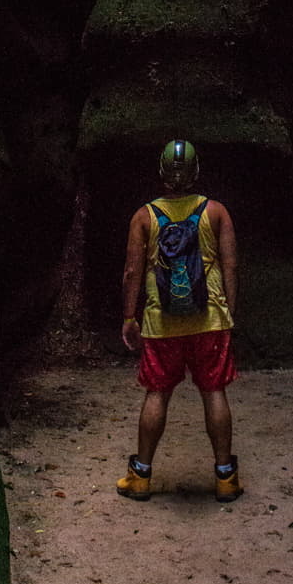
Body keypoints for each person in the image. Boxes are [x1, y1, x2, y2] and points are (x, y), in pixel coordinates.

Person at [116, 139, 241, 502]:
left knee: (157, 392)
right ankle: (225, 478)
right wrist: (228, 313)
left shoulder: (144, 216)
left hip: (161, 323)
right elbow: (230, 265)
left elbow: (131, 271)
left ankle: (140, 476)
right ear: (196, 171)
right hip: (210, 320)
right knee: (213, 391)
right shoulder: (216, 212)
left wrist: (129, 316)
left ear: (161, 172)